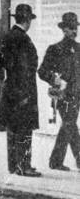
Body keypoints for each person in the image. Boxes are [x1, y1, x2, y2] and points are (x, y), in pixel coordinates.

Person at [0, 2, 41, 177]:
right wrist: (23, 94)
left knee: (12, 129)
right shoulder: (22, 39)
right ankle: (24, 166)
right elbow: (24, 68)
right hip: (23, 93)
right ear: (28, 20)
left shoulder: (8, 36)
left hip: (10, 92)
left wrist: (8, 84)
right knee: (24, 128)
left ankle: (13, 166)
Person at [38, 11, 80, 171]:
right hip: (62, 95)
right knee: (70, 124)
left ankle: (55, 161)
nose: (74, 31)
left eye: (75, 27)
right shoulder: (54, 49)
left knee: (68, 126)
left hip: (77, 94)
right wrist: (54, 79)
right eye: (70, 28)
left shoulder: (79, 49)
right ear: (64, 29)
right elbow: (42, 71)